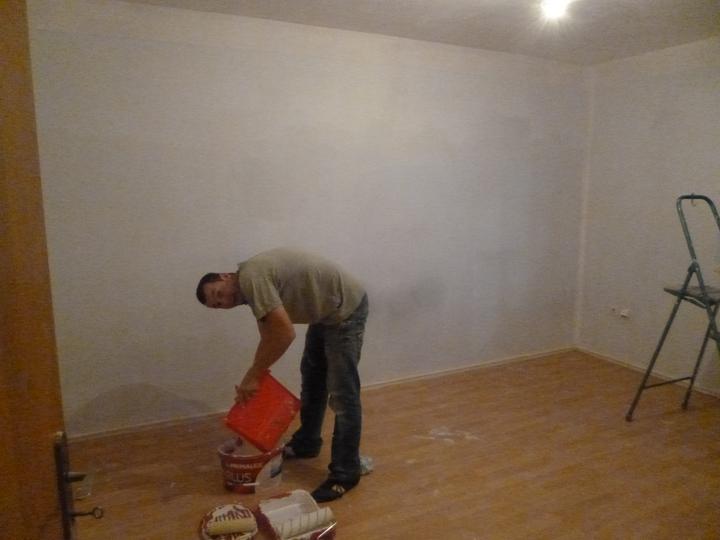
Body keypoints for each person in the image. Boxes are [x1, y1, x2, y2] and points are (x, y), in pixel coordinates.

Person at [196, 248, 369, 502]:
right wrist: (254, 376)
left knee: (343, 394)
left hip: (345, 310)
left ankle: (346, 473)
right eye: (218, 305)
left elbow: (285, 334)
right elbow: (269, 337)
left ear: (225, 276)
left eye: (218, 293)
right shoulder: (252, 290)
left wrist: (253, 376)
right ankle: (307, 443)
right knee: (312, 378)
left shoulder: (251, 278)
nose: (223, 302)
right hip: (325, 313)